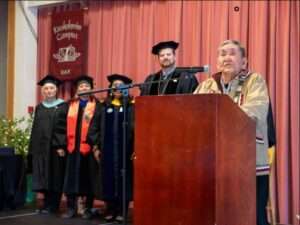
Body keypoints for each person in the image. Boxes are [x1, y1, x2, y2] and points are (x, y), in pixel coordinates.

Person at [194, 40, 271, 225]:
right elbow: (192, 113)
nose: (226, 58)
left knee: (252, 216)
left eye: (231, 53)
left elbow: (256, 110)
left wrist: (219, 118)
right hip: (214, 163)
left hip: (249, 160)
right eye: (222, 54)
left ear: (244, 62)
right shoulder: (207, 85)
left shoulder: (254, 80)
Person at [89, 74, 134, 223]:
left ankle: (122, 211)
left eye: (121, 85)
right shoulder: (103, 106)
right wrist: (95, 147)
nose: (117, 88)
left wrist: (136, 149)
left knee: (124, 180)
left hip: (126, 152)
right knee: (107, 179)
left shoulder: (132, 106)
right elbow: (94, 128)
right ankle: (109, 209)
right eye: (115, 85)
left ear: (126, 88)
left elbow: (138, 129)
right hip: (107, 151)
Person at [60, 75, 101, 219]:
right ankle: (71, 208)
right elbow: (61, 126)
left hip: (89, 149)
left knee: (89, 179)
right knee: (71, 179)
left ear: (91, 88)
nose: (84, 88)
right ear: (77, 89)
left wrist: (96, 145)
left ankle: (88, 208)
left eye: (86, 86)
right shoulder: (69, 105)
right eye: (81, 86)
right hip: (72, 148)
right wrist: (62, 144)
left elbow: (99, 127)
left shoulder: (98, 105)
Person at [28, 74, 66, 214]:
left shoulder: (63, 106)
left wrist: (61, 146)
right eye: (46, 89)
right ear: (42, 91)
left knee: (55, 175)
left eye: (51, 88)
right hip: (40, 148)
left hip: (55, 148)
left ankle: (54, 204)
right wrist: (32, 147)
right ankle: (46, 203)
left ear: (56, 90)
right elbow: (35, 128)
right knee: (42, 174)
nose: (48, 91)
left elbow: (64, 128)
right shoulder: (39, 107)